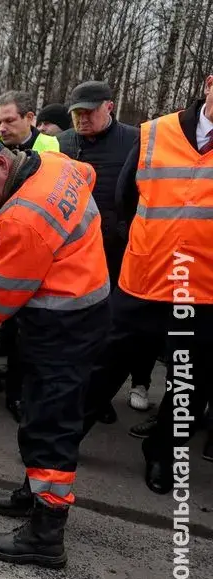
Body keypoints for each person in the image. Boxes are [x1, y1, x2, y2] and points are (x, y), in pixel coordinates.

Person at [0, 132, 111, 569]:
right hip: (86, 304)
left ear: (1, 165)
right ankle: (32, 496)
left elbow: (3, 294)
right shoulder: (57, 166)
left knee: (49, 423)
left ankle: (45, 533)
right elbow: (89, 177)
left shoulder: (21, 218)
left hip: (62, 322)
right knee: (42, 411)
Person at [82, 73, 213, 494]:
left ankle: (162, 457)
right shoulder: (157, 132)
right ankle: (63, 437)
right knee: (105, 365)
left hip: (204, 291)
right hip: (143, 280)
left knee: (187, 384)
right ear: (209, 83)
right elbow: (125, 198)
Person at [57, 81, 155, 415]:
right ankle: (75, 389)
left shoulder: (133, 139)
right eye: (76, 113)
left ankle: (108, 390)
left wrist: (127, 230)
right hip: (72, 250)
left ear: (109, 107)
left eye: (89, 112)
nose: (82, 120)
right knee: (77, 323)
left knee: (114, 323)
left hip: (118, 247)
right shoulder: (63, 142)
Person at [0, 90, 60, 423]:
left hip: (36, 250)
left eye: (9, 120)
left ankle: (18, 393)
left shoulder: (51, 148)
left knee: (25, 329)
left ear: (30, 118)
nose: (2, 128)